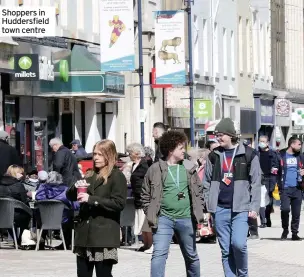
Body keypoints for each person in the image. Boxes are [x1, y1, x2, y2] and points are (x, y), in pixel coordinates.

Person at [203, 118, 261, 277]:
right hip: (219, 209)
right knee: (226, 250)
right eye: (216, 135)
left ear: (231, 135)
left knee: (239, 244)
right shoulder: (213, 156)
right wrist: (209, 204)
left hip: (241, 209)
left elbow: (256, 183)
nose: (218, 138)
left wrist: (254, 207)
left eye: (221, 135)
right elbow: (206, 182)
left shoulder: (249, 154)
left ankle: (242, 274)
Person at [142, 130, 204, 277]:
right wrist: (149, 211)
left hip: (187, 218)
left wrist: (199, 209)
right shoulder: (155, 169)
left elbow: (199, 189)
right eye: (181, 148)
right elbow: (145, 193)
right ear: (171, 150)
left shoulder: (189, 166)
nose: (184, 151)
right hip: (163, 218)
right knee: (159, 254)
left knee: (191, 255)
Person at [66, 139, 127, 277]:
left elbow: (118, 204)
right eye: (94, 154)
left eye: (100, 154)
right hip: (84, 235)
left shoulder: (117, 176)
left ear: (109, 155)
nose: (96, 157)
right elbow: (70, 196)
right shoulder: (89, 174)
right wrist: (75, 187)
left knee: (103, 274)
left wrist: (91, 199)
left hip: (103, 235)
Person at [35, 171, 79, 249]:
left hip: (44, 219)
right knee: (71, 218)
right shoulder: (66, 190)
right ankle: (66, 243)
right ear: (61, 179)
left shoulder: (41, 188)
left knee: (40, 214)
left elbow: (37, 199)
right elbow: (75, 206)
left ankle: (40, 242)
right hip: (62, 220)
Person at [126, 143, 152, 253]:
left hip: (144, 197)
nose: (129, 155)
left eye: (130, 153)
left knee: (146, 224)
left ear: (136, 153)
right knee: (141, 224)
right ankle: (145, 244)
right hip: (137, 196)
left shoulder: (144, 165)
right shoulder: (133, 165)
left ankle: (151, 245)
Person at [278, 137, 304, 241]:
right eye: (299, 144)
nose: (300, 146)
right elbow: (275, 170)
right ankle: (285, 230)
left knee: (296, 213)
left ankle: (294, 233)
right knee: (285, 209)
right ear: (292, 144)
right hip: (285, 188)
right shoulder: (281, 155)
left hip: (297, 188)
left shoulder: (300, 156)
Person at [0, 165, 31, 246]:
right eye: (21, 173)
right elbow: (24, 201)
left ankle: (15, 238)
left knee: (8, 219)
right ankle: (20, 238)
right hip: (16, 215)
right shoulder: (19, 185)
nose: (22, 175)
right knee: (27, 215)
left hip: (2, 215)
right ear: (15, 174)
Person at [257, 135, 279, 228]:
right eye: (260, 141)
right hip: (260, 178)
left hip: (270, 178)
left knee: (269, 201)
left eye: (263, 141)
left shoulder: (273, 153)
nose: (261, 143)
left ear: (267, 143)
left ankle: (268, 217)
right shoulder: (256, 153)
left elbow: (277, 166)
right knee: (261, 200)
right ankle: (263, 221)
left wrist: (274, 171)